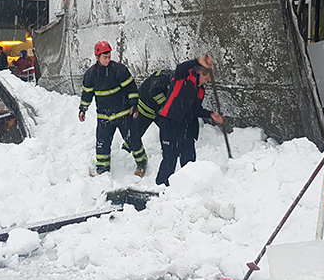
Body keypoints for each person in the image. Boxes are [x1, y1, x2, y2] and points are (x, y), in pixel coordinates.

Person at [79, 41, 147, 177]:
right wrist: (83, 109)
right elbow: (87, 94)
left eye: (109, 56)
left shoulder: (119, 70)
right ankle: (102, 169)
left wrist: (134, 104)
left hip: (123, 114)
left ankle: (142, 163)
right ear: (97, 57)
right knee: (102, 143)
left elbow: (131, 88)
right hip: (104, 117)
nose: (108, 59)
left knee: (132, 139)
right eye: (105, 57)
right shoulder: (90, 75)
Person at [156, 55, 224, 186]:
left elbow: (196, 110)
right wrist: (198, 61)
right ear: (199, 73)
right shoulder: (183, 78)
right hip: (170, 124)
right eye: (206, 78)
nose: (206, 82)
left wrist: (211, 115)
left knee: (189, 161)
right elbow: (181, 67)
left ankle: (188, 187)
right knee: (170, 159)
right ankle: (161, 188)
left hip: (187, 128)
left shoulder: (200, 91)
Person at [122, 69, 174, 152]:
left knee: (168, 129)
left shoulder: (173, 79)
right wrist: (165, 105)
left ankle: (169, 149)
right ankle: (124, 152)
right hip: (145, 106)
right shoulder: (164, 78)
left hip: (157, 110)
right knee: (135, 134)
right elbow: (154, 91)